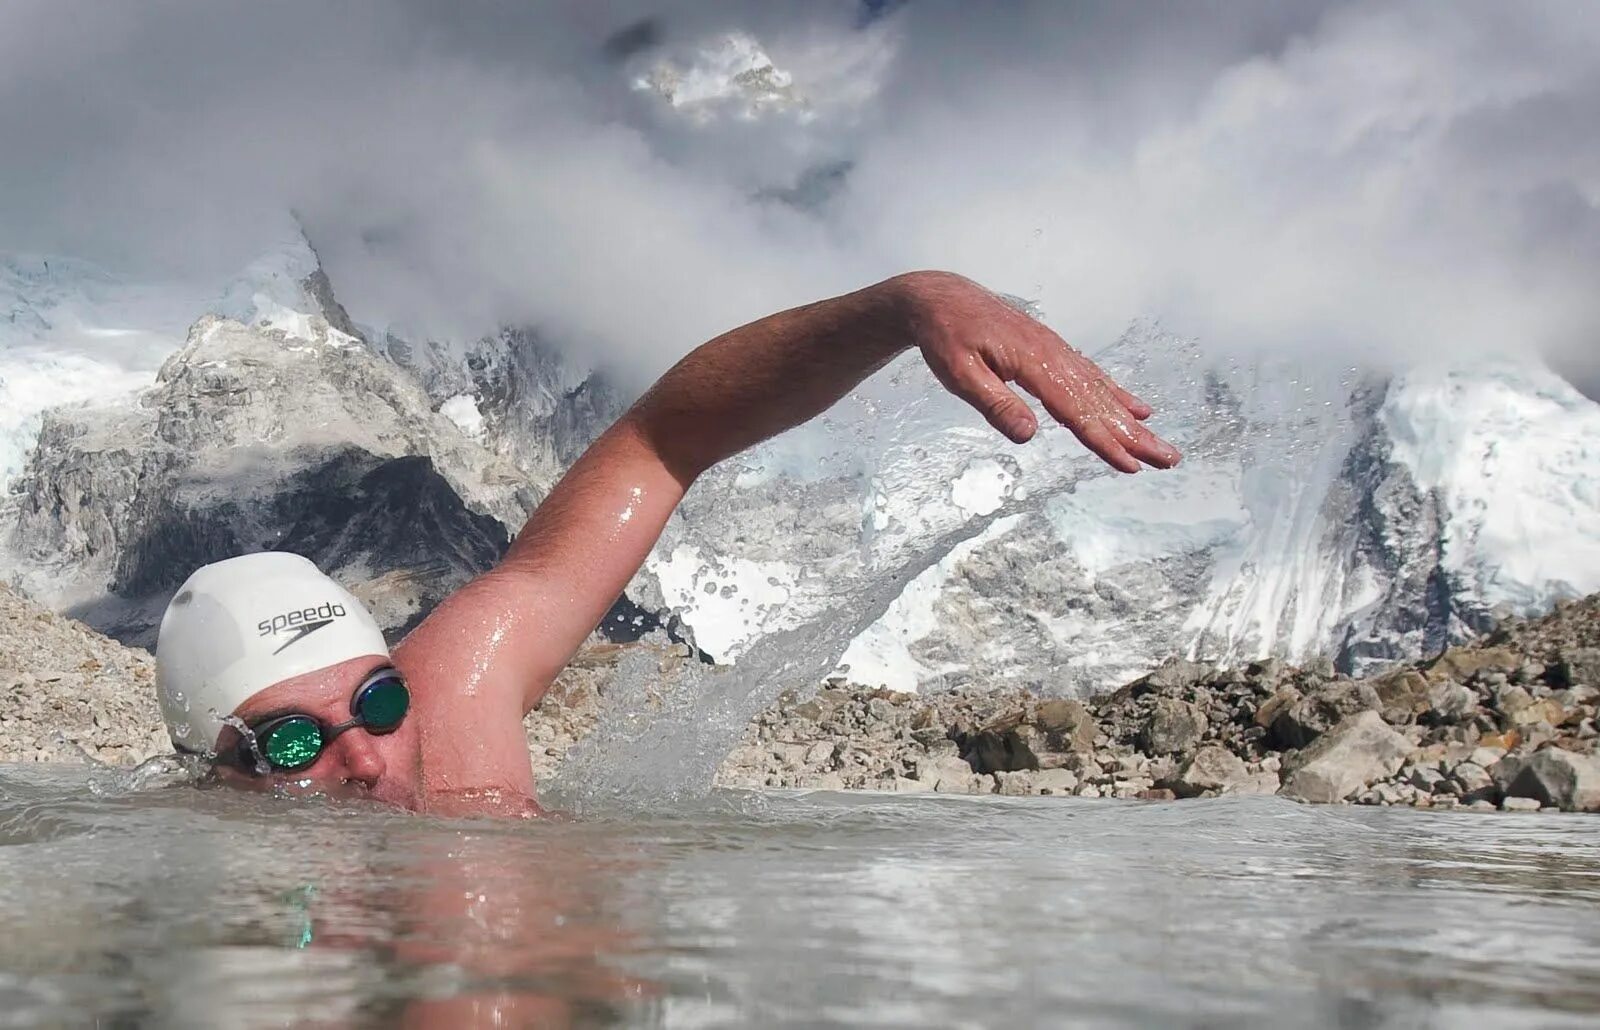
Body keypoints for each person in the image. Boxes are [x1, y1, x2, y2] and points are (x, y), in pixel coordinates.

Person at [155, 270, 1181, 814]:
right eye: (294, 741)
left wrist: (904, 304)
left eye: (381, 697)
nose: (371, 756)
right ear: (215, 772)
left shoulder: (456, 698)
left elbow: (663, 438)